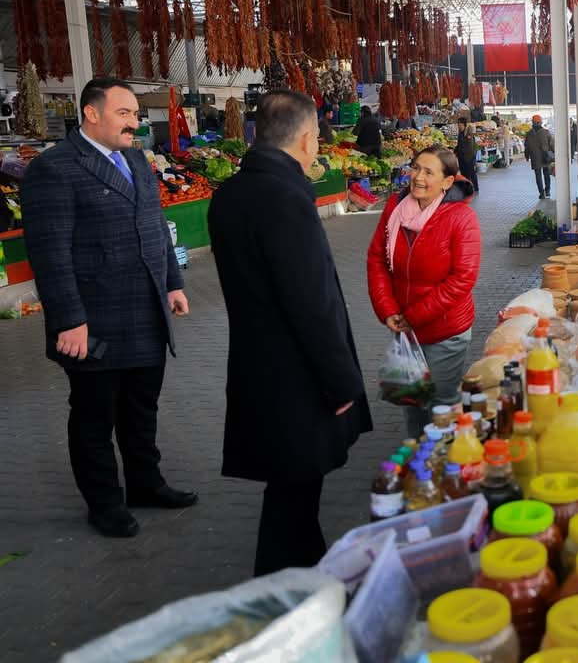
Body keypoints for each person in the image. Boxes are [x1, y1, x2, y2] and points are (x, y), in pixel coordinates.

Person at [20, 77, 195, 538]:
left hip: (146, 311)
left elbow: (156, 225)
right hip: (92, 320)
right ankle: (104, 503)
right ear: (91, 114)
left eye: (136, 115)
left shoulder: (135, 160)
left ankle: (145, 484)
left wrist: (173, 284)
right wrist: (69, 320)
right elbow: (50, 254)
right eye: (125, 114)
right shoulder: (54, 169)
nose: (134, 124)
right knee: (95, 416)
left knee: (142, 409)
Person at [208, 91, 372, 575]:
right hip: (297, 374)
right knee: (295, 490)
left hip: (259, 364)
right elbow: (311, 302)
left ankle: (303, 575)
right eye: (318, 136)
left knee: (292, 488)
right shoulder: (285, 198)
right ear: (305, 138)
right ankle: (288, 587)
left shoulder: (230, 195)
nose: (318, 145)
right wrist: (342, 381)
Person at [367, 147, 481, 437]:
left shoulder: (461, 218)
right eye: (415, 168)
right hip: (406, 329)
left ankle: (447, 470)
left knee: (441, 407)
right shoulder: (396, 208)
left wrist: (413, 315)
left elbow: (462, 279)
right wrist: (388, 309)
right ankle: (419, 468)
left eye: (429, 172)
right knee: (414, 402)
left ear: (447, 182)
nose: (417, 177)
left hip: (445, 332)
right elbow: (377, 259)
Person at [524, 114, 555, 199]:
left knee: (538, 176)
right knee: (546, 174)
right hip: (545, 157)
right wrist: (554, 153)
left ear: (533, 122)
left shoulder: (529, 134)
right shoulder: (546, 132)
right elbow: (552, 144)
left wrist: (527, 156)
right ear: (540, 122)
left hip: (535, 157)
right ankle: (547, 191)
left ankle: (542, 193)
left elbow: (526, 146)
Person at [456, 117, 479, 193]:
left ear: (463, 124)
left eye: (459, 124)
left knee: (471, 173)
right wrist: (454, 151)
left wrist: (459, 151)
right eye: (458, 124)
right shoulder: (461, 133)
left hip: (468, 157)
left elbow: (468, 146)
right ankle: (467, 188)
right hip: (462, 157)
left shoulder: (468, 133)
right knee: (464, 173)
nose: (458, 126)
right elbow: (459, 144)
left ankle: (475, 188)